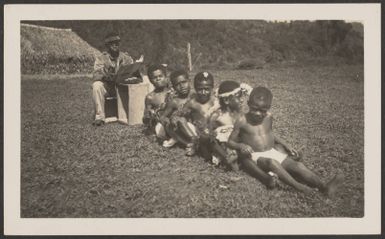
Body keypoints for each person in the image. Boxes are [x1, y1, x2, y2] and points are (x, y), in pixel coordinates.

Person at [228, 86, 344, 196]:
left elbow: (270, 134)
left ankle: (324, 187)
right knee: (271, 162)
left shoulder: (268, 117)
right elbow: (230, 142)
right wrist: (240, 145)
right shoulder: (242, 121)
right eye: (255, 109)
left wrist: (285, 144)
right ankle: (298, 186)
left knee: (297, 165)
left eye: (262, 110)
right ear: (248, 104)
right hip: (255, 155)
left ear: (268, 108)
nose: (258, 114)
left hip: (271, 151)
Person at [91, 32, 143, 126]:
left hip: (122, 87)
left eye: (117, 43)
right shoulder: (101, 58)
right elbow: (96, 74)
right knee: (96, 86)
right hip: (108, 87)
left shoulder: (126, 57)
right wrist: (106, 77)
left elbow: (133, 72)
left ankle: (133, 114)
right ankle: (99, 117)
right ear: (107, 46)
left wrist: (135, 70)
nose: (115, 45)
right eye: (112, 43)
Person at [182, 71, 220, 159]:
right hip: (197, 131)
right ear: (195, 88)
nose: (203, 92)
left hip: (213, 130)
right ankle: (195, 143)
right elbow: (183, 115)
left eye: (207, 89)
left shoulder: (215, 101)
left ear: (212, 88)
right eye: (200, 89)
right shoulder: (192, 102)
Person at [159, 69, 198, 153]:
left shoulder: (195, 96)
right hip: (182, 129)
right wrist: (167, 120)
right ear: (173, 87)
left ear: (189, 81)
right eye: (177, 84)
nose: (182, 86)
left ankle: (193, 143)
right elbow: (163, 116)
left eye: (184, 82)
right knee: (171, 125)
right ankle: (190, 143)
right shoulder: (174, 102)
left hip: (196, 127)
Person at [143, 64, 171, 140]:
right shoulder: (150, 97)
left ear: (165, 77)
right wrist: (150, 115)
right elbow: (145, 119)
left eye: (160, 76)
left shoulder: (172, 92)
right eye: (155, 78)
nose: (158, 79)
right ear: (151, 80)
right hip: (162, 124)